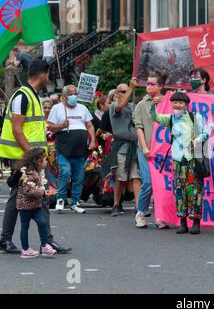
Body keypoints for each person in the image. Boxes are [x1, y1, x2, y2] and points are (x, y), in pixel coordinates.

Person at [0, 59, 70, 254]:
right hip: (22, 156)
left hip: (34, 158)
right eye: (48, 75)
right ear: (44, 75)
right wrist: (31, 156)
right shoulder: (22, 97)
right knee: (18, 197)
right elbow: (16, 130)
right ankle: (6, 238)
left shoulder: (33, 96)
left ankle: (46, 241)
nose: (48, 78)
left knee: (42, 196)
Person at [150, 92, 208, 234]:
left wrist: (197, 140)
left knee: (194, 190)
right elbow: (156, 117)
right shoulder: (171, 119)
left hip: (193, 159)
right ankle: (183, 222)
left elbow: (205, 133)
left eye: (180, 103)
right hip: (178, 160)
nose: (177, 105)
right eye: (175, 102)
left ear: (186, 104)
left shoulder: (195, 117)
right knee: (180, 190)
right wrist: (153, 106)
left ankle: (195, 222)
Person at [47, 85, 96, 214]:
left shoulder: (83, 108)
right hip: (64, 147)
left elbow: (90, 125)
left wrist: (93, 140)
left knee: (79, 177)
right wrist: (62, 125)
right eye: (70, 94)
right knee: (65, 171)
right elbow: (50, 127)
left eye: (75, 93)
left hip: (80, 149)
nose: (73, 96)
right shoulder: (57, 109)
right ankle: (61, 199)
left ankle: (75, 202)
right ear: (64, 96)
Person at [133, 71, 169, 229]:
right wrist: (145, 147)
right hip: (146, 149)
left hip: (164, 151)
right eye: (147, 83)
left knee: (163, 184)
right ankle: (140, 213)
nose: (148, 86)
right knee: (147, 182)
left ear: (160, 86)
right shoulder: (142, 104)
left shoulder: (169, 102)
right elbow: (139, 128)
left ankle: (161, 217)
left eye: (152, 84)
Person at [14, 148, 57, 258]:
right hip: (25, 206)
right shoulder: (28, 174)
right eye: (45, 159)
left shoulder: (38, 173)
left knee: (42, 223)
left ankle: (44, 246)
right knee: (25, 227)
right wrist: (43, 192)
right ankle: (25, 249)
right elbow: (29, 191)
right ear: (39, 161)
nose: (47, 161)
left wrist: (43, 190)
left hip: (36, 205)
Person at [108, 80, 141, 217]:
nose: (126, 93)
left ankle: (139, 207)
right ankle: (116, 204)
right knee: (121, 177)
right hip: (122, 146)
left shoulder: (133, 106)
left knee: (136, 176)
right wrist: (131, 88)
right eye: (123, 91)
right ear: (117, 93)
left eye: (127, 91)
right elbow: (120, 106)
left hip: (134, 146)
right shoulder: (114, 106)